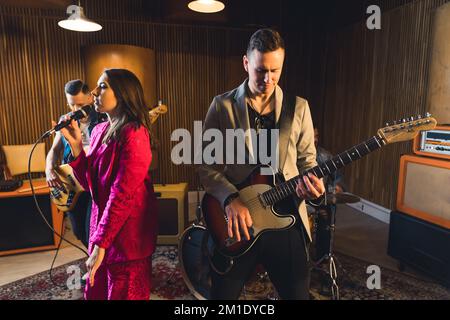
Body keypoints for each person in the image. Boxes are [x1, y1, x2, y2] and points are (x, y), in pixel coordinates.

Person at [198, 28, 325, 300]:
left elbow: (307, 162)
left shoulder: (299, 107)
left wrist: (314, 188)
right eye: (260, 70)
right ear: (246, 63)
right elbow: (207, 166)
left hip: (286, 215)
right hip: (237, 220)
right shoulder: (221, 106)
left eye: (275, 71)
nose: (268, 79)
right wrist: (230, 199)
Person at [58, 69, 158, 300]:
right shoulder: (99, 130)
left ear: (123, 93)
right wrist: (75, 148)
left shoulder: (135, 133)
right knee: (96, 291)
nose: (94, 92)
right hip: (102, 227)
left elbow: (122, 194)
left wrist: (101, 243)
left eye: (102, 86)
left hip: (127, 238)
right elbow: (91, 185)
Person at [45, 80, 102, 248]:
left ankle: (97, 269)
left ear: (90, 99)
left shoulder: (102, 120)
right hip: (72, 183)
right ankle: (94, 264)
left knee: (92, 230)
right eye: (72, 105)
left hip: (94, 184)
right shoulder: (65, 120)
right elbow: (55, 150)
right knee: (78, 231)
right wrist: (49, 168)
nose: (76, 110)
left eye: (80, 105)